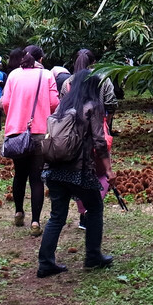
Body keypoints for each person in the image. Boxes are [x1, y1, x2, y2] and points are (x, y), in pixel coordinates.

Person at [37, 70, 114, 277]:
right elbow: (99, 141)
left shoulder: (64, 105)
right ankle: (93, 257)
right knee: (95, 208)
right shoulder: (92, 107)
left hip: (54, 168)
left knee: (57, 216)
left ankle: (45, 263)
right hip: (78, 170)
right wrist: (108, 169)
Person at [0, 44, 60, 235]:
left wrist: (17, 115)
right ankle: (35, 222)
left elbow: (6, 103)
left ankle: (18, 212)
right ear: (39, 60)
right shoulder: (48, 75)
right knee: (36, 179)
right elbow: (54, 103)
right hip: (40, 132)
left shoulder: (14, 75)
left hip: (17, 131)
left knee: (19, 174)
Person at [70, 49, 118, 131]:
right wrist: (107, 122)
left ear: (75, 63)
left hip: (75, 129)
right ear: (94, 63)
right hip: (99, 127)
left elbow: (62, 104)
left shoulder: (69, 81)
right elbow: (111, 103)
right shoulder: (104, 79)